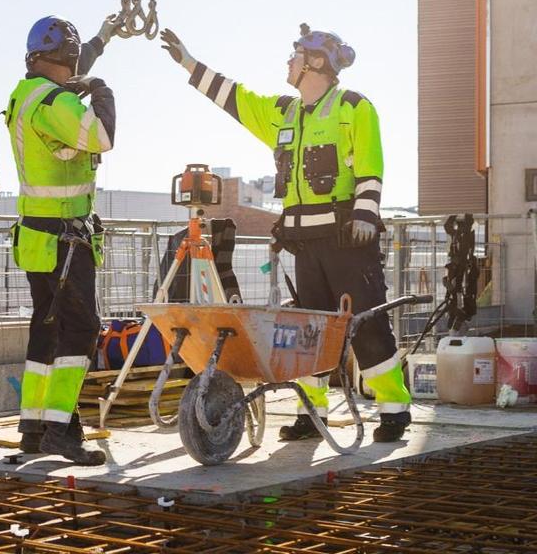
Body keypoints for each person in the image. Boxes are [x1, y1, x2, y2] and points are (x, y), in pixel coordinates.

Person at [159, 23, 412, 443]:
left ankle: (394, 410)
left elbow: (371, 168)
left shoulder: (353, 108)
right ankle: (312, 415)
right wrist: (189, 62)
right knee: (307, 333)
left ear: (315, 63)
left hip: (348, 241)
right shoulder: (283, 112)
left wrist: (366, 217)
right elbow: (235, 97)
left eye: (294, 55)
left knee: (367, 325)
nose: (288, 61)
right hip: (304, 244)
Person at [6, 14, 117, 465]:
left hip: (36, 237)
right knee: (81, 329)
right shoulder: (56, 103)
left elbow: (74, 65)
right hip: (66, 242)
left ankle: (32, 429)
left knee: (45, 332)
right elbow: (103, 136)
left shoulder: (26, 93)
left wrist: (104, 37)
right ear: (65, 61)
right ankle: (61, 431)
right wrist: (104, 92)